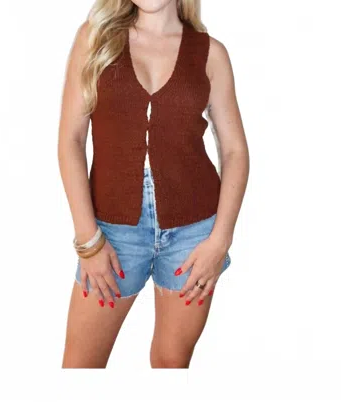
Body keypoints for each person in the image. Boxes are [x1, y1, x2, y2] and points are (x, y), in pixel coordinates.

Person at [58, 0, 249, 369]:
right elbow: (71, 141)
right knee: (81, 366)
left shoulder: (211, 54)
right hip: (110, 235)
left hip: (194, 236)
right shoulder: (96, 38)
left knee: (171, 364)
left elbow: (235, 151)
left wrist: (220, 240)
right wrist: (88, 241)